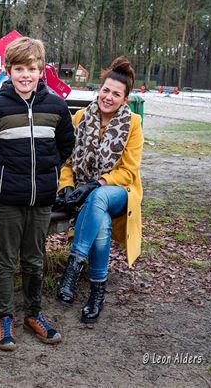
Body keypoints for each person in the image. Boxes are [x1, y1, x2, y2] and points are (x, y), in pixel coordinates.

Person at [0, 36, 75, 350]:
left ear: (41, 70)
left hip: (42, 197)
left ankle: (34, 314)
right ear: (8, 71)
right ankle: (4, 317)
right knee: (6, 260)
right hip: (7, 198)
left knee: (34, 259)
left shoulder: (56, 106)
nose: (25, 75)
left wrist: (47, 170)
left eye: (31, 68)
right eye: (19, 69)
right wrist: (8, 169)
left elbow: (66, 145)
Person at [55, 56, 143, 324]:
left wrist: (97, 182)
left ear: (125, 99)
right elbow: (67, 161)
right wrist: (67, 187)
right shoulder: (80, 117)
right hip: (88, 195)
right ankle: (96, 294)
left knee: (99, 195)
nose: (109, 97)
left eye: (116, 94)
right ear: (99, 89)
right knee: (100, 221)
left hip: (120, 192)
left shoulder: (133, 123)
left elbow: (128, 171)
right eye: (106, 90)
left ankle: (73, 266)